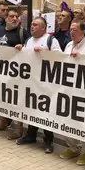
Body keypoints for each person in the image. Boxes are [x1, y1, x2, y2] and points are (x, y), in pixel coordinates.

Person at [16, 17, 61, 152]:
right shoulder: (29, 40)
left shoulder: (51, 40)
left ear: (43, 28)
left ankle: (48, 140)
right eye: (31, 24)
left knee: (46, 111)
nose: (32, 27)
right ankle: (31, 135)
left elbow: (59, 58)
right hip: (31, 81)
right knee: (31, 108)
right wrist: (20, 49)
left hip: (46, 83)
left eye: (35, 25)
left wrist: (45, 52)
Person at [59, 19, 85, 165]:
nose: (72, 32)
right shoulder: (69, 45)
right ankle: (73, 147)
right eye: (71, 29)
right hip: (69, 88)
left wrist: (81, 59)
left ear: (83, 31)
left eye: (75, 30)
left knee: (84, 122)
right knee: (67, 119)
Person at [0, 9, 30, 126]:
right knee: (0, 99)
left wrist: (23, 47)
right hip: (0, 73)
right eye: (11, 16)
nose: (14, 18)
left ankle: (19, 129)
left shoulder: (22, 33)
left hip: (16, 74)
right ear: (6, 19)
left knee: (15, 102)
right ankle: (2, 122)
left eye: (16, 16)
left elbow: (30, 49)